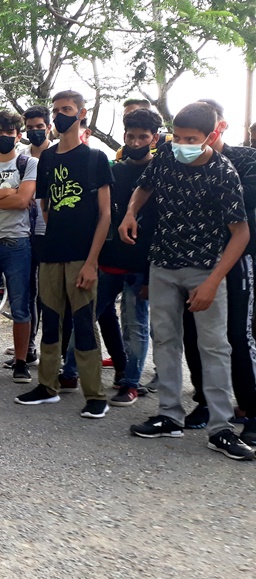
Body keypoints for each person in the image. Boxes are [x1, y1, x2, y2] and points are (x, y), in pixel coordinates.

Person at [121, 102, 253, 460]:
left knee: (215, 348)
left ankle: (222, 429)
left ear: (210, 136)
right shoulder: (166, 155)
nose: (181, 144)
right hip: (163, 264)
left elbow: (240, 234)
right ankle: (169, 415)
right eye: (177, 137)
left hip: (205, 269)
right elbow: (144, 187)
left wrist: (213, 281)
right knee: (165, 340)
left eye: (190, 139)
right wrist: (131, 213)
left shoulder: (223, 172)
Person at [16, 90, 113, 418]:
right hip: (51, 254)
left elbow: (105, 215)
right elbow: (44, 206)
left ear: (81, 113)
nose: (60, 115)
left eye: (66, 109)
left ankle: (95, 395)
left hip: (81, 257)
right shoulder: (49, 158)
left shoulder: (95, 158)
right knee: (51, 321)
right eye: (56, 110)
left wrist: (91, 261)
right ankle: (47, 385)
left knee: (84, 323)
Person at [178, 99, 256, 438]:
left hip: (239, 260)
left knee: (238, 336)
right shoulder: (182, 163)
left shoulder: (247, 161)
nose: (186, 144)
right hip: (193, 260)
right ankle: (206, 401)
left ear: (218, 128)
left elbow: (237, 212)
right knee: (194, 334)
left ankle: (252, 411)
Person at [77, 107, 162, 408]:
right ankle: (73, 370)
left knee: (136, 325)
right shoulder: (115, 170)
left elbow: (162, 226)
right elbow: (103, 216)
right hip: (108, 262)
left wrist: (152, 275)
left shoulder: (162, 172)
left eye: (143, 137)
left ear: (154, 139)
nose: (136, 142)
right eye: (131, 136)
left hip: (142, 267)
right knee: (87, 315)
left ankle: (130, 383)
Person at [0, 110, 38, 386]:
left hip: (17, 243)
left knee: (20, 306)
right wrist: (7, 192)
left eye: (8, 132)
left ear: (18, 135)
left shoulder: (28, 163)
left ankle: (21, 363)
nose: (3, 137)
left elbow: (23, 201)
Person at [22, 104, 53, 365]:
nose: (35, 132)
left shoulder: (57, 155)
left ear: (49, 128)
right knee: (28, 291)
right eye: (30, 128)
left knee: (50, 294)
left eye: (39, 128)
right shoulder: (21, 157)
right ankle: (29, 345)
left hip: (50, 233)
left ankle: (53, 348)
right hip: (24, 232)